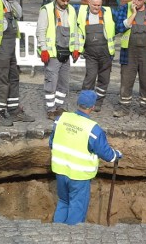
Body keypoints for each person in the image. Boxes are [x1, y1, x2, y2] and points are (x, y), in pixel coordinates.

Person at [49, 90, 122, 225]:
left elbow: (51, 143)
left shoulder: (61, 120)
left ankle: (56, 232)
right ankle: (72, 238)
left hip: (60, 171)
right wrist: (116, 155)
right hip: (79, 176)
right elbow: (106, 153)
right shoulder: (93, 129)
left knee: (63, 201)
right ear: (93, 107)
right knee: (77, 207)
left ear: (77, 104)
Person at [37, 0, 79, 120]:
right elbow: (41, 31)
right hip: (52, 54)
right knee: (51, 82)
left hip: (66, 52)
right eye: (63, 1)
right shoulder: (47, 10)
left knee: (64, 82)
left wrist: (76, 48)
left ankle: (60, 107)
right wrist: (44, 49)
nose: (65, 3)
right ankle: (50, 109)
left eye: (68, 0)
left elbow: (75, 31)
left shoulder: (72, 10)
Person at [76, 0, 116, 112]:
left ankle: (98, 102)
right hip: (90, 53)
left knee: (104, 79)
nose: (96, 7)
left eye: (99, 5)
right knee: (90, 78)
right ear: (89, 3)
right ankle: (84, 103)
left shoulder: (108, 12)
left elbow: (118, 25)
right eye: (94, 5)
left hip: (106, 52)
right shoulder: (82, 12)